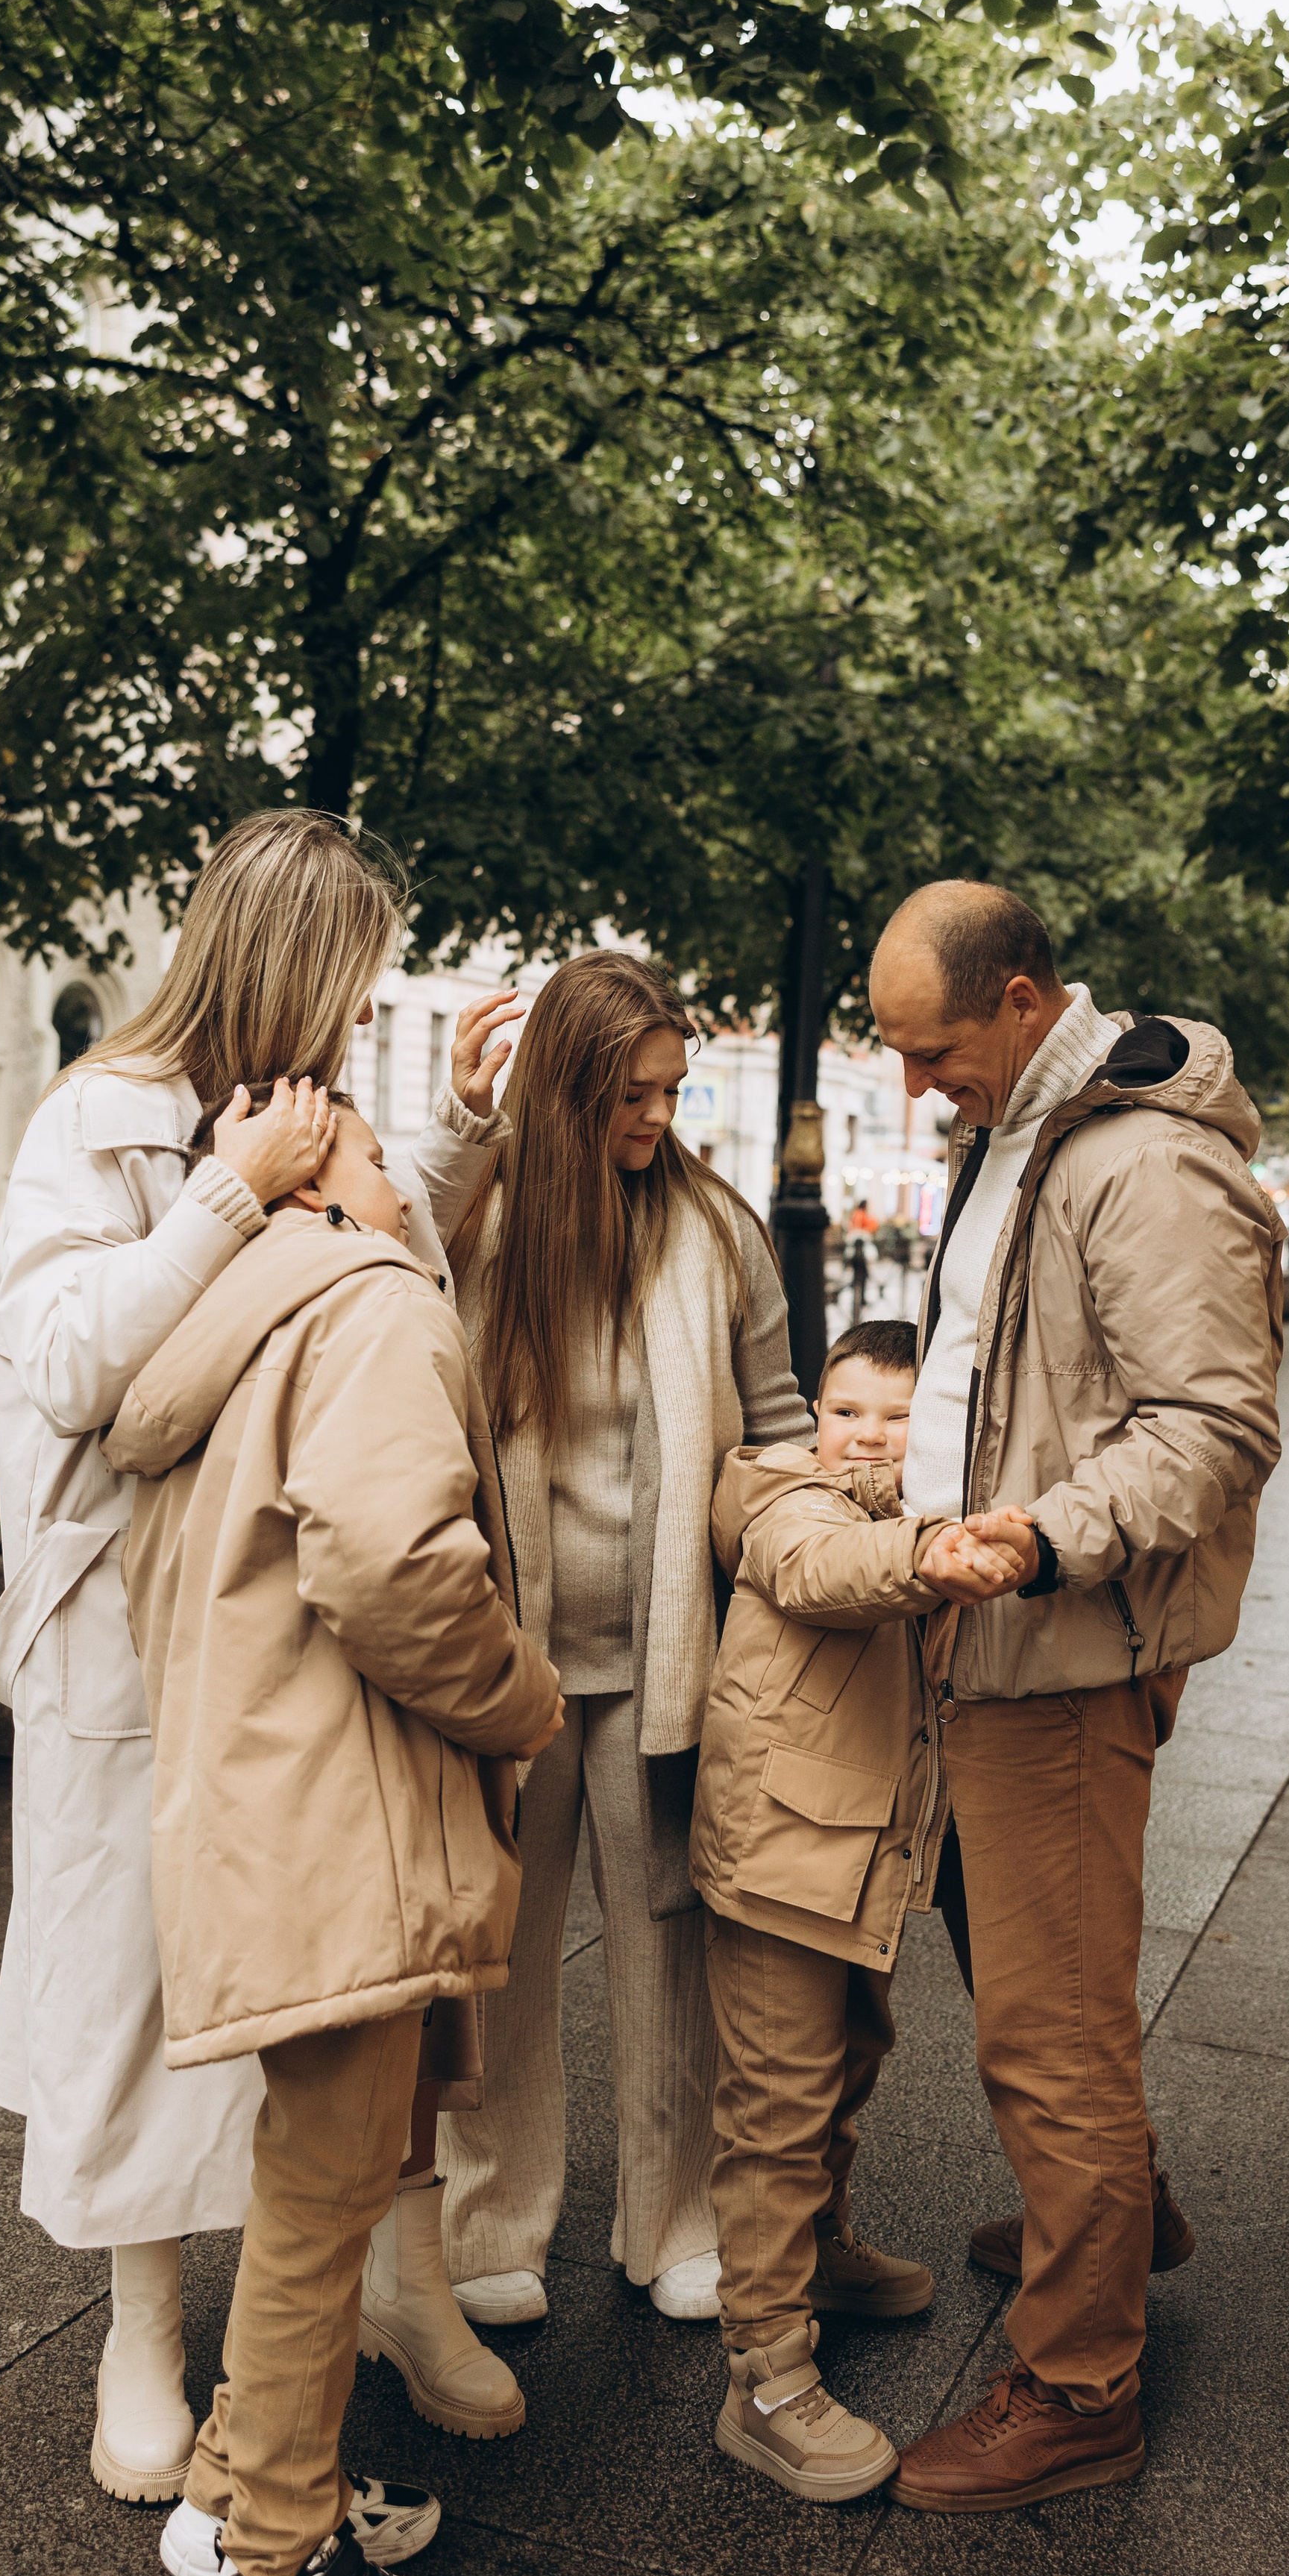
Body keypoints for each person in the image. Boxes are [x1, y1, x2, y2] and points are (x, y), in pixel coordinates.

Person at [0, 810, 440, 2519]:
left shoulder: (311, 1109)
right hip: (117, 1626)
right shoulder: (98, 1118)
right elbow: (69, 1364)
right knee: (123, 1983)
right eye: (349, 980)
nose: (356, 1017)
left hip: (267, 1628)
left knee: (274, 1987)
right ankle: (138, 2328)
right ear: (282, 964)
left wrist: (405, 1147)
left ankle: (289, 2348)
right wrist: (229, 1197)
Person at [101, 1095, 564, 2576]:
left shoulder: (229, 1330)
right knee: (319, 2212)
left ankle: (245, 2484)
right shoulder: (368, 1306)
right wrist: (521, 1696)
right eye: (379, 1150)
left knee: (309, 2187)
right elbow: (391, 1568)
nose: (409, 1180)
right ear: (325, 1182)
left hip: (262, 1813)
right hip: (347, 1819)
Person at [868, 881, 1282, 2514]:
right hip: (989, 1630)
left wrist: (1040, 1536)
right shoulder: (1024, 1132)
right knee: (1012, 1970)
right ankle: (1114, 2218)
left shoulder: (1141, 1164)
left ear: (1029, 1001)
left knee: (1050, 2028)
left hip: (1052, 1647)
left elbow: (1208, 1426)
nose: (916, 1089)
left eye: (937, 1052)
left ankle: (1078, 2381)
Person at [404, 952, 811, 2331]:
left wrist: (798, 1547)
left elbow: (781, 1420)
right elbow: (395, 1250)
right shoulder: (493, 1212)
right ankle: (490, 2228)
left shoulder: (715, 1225)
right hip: (513, 1666)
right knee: (499, 1967)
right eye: (634, 1093)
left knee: (673, 1952)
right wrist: (465, 1125)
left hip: (664, 1660)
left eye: (672, 1090)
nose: (657, 1116)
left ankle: (676, 2218)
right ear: (570, 1088)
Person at [690, 1319, 1016, 2501]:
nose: (865, 1437)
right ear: (811, 1413)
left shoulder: (927, 1502)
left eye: (898, 1417)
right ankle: (765, 2379)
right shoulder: (779, 1489)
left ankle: (818, 2252)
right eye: (846, 1410)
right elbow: (819, 1571)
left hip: (859, 1855)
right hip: (781, 1854)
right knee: (775, 2106)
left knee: (850, 2061)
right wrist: (933, 1541)